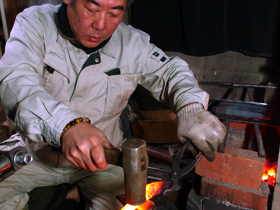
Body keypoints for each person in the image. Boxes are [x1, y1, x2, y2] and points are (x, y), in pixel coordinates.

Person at [0, 0, 226, 209]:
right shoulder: (34, 24)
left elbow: (170, 72)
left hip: (106, 159)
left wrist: (190, 106)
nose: (100, 25)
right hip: (37, 153)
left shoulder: (133, 43)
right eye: (92, 8)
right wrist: (67, 126)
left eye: (114, 12)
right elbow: (14, 80)